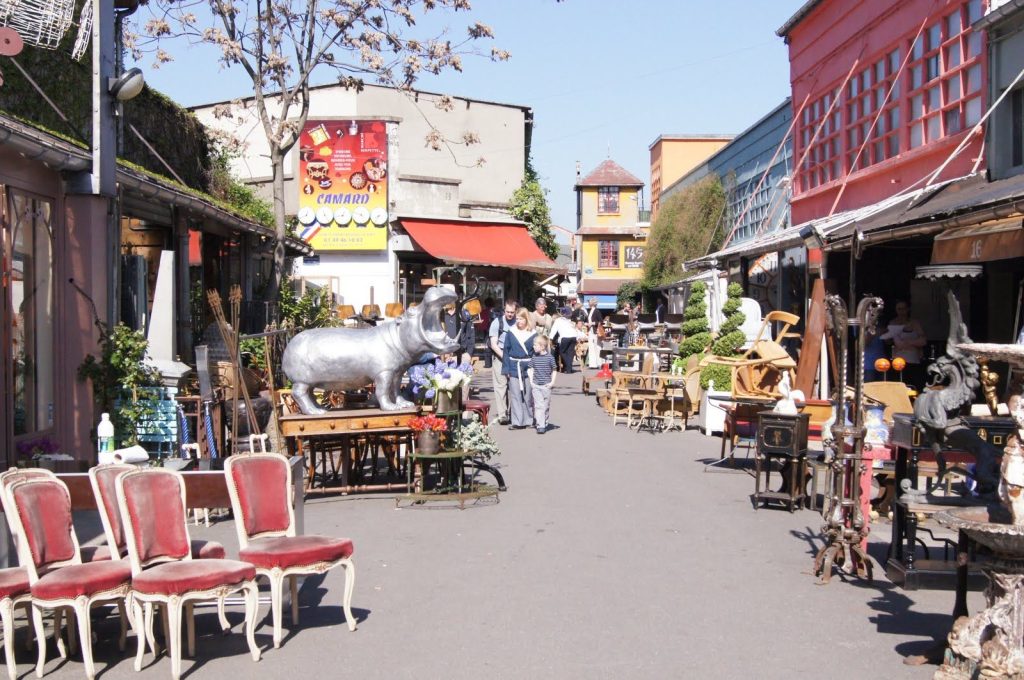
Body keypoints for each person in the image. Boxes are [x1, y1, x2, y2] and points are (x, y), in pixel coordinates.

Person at [882, 300, 927, 390]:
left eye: (903, 309)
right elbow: (894, 343)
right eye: (899, 309)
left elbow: (923, 341)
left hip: (913, 360)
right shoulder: (893, 323)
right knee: (899, 387)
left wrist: (908, 342)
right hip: (898, 361)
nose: (901, 311)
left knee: (913, 387)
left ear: (907, 309)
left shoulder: (914, 323)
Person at [503, 308, 536, 429]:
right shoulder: (511, 332)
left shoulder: (533, 333)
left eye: (521, 319)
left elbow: (535, 353)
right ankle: (516, 421)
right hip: (514, 365)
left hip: (528, 366)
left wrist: (535, 368)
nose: (518, 321)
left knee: (527, 395)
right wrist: (506, 369)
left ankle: (528, 419)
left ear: (526, 319)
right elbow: (506, 351)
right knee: (515, 394)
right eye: (517, 318)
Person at [488, 300, 517, 425]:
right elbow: (494, 345)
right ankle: (502, 414)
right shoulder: (497, 323)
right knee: (501, 386)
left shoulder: (518, 322)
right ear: (504, 310)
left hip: (515, 357)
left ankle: (513, 412)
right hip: (500, 356)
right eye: (507, 312)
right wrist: (505, 357)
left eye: (512, 312)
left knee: (514, 386)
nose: (510, 314)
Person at [443, 303, 475, 400]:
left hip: (463, 354)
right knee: (448, 383)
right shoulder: (441, 316)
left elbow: (471, 334)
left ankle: (464, 407)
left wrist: (469, 353)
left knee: (464, 383)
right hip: (446, 355)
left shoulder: (464, 315)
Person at [528, 335, 557, 434]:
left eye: (535, 345)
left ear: (542, 347)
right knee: (539, 405)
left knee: (546, 406)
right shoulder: (534, 357)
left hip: (546, 386)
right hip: (536, 385)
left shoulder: (550, 358)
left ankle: (544, 422)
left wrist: (552, 382)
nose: (533, 347)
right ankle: (540, 425)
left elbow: (554, 370)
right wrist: (531, 381)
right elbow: (531, 369)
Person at [548, 307, 578, 374]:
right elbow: (574, 329)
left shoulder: (558, 320)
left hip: (565, 338)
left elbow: (553, 330)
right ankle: (569, 369)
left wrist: (550, 339)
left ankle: (568, 367)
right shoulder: (569, 321)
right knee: (570, 353)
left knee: (562, 352)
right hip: (573, 337)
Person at [585, 297, 604, 369]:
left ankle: (599, 363)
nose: (588, 303)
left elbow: (600, 321)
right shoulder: (590, 311)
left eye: (589, 302)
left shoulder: (596, 311)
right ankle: (593, 364)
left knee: (597, 347)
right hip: (590, 331)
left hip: (596, 331)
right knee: (591, 346)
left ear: (592, 303)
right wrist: (587, 323)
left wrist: (592, 323)